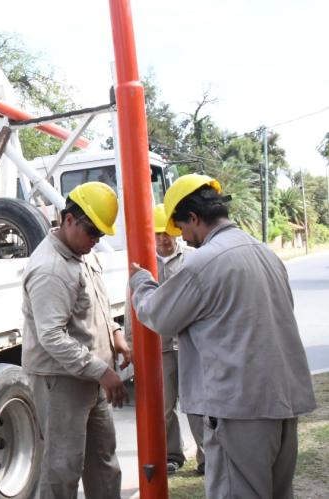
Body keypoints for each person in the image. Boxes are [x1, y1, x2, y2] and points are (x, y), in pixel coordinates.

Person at [129, 175, 315, 498]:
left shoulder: (204, 262)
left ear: (194, 218)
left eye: (181, 228)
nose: (183, 238)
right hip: (283, 403)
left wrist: (142, 283)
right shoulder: (264, 253)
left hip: (240, 411)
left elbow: (159, 315)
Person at [22, 181, 133, 499]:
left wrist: (115, 333)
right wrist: (102, 371)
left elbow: (96, 303)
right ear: (68, 219)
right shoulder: (51, 269)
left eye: (100, 234)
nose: (96, 240)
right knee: (62, 469)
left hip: (90, 376)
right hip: (60, 381)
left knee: (103, 462)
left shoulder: (82, 252)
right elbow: (52, 336)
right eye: (92, 232)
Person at [150, 203, 203, 476]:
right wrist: (133, 346)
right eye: (157, 233)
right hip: (160, 347)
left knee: (198, 403)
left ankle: (207, 458)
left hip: (190, 345)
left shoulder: (193, 258)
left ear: (176, 231)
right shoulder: (144, 263)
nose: (163, 239)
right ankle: (171, 455)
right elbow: (133, 305)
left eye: (167, 232)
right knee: (164, 406)